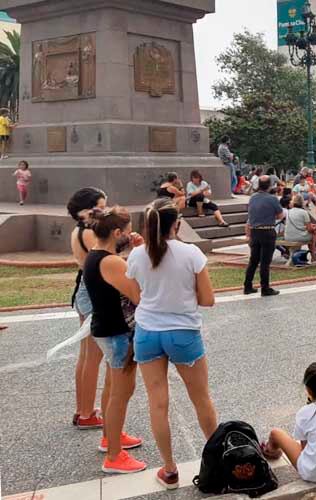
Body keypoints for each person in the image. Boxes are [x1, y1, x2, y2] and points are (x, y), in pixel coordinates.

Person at [126, 198, 218, 488]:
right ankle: (217, 461)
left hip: (147, 333)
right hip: (183, 333)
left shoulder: (136, 255)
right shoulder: (190, 253)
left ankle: (169, 469)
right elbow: (208, 299)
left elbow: (137, 295)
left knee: (158, 403)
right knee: (201, 398)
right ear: (176, 224)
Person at [82, 206, 145, 474]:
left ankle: (111, 437)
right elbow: (137, 295)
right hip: (119, 332)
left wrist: (132, 253)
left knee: (111, 387)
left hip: (106, 329)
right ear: (117, 232)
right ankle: (114, 456)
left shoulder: (95, 257)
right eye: (128, 231)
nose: (130, 235)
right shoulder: (111, 262)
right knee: (122, 392)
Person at [67, 187, 109, 431]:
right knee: (93, 356)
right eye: (99, 207)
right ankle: (86, 413)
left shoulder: (78, 230)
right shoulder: (89, 233)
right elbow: (106, 257)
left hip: (84, 287)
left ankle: (83, 409)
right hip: (93, 291)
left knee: (86, 355)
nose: (103, 212)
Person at [244, 176, 284, 296]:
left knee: (253, 260)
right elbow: (280, 215)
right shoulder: (272, 199)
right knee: (265, 262)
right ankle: (265, 288)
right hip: (267, 231)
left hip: (255, 231)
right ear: (270, 185)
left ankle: (247, 286)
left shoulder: (252, 198)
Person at [285, 195, 316, 263]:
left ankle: (312, 256)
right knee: (314, 235)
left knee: (311, 233)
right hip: (299, 236)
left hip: (288, 236)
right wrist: (314, 229)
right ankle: (313, 256)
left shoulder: (288, 212)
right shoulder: (304, 212)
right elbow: (309, 229)